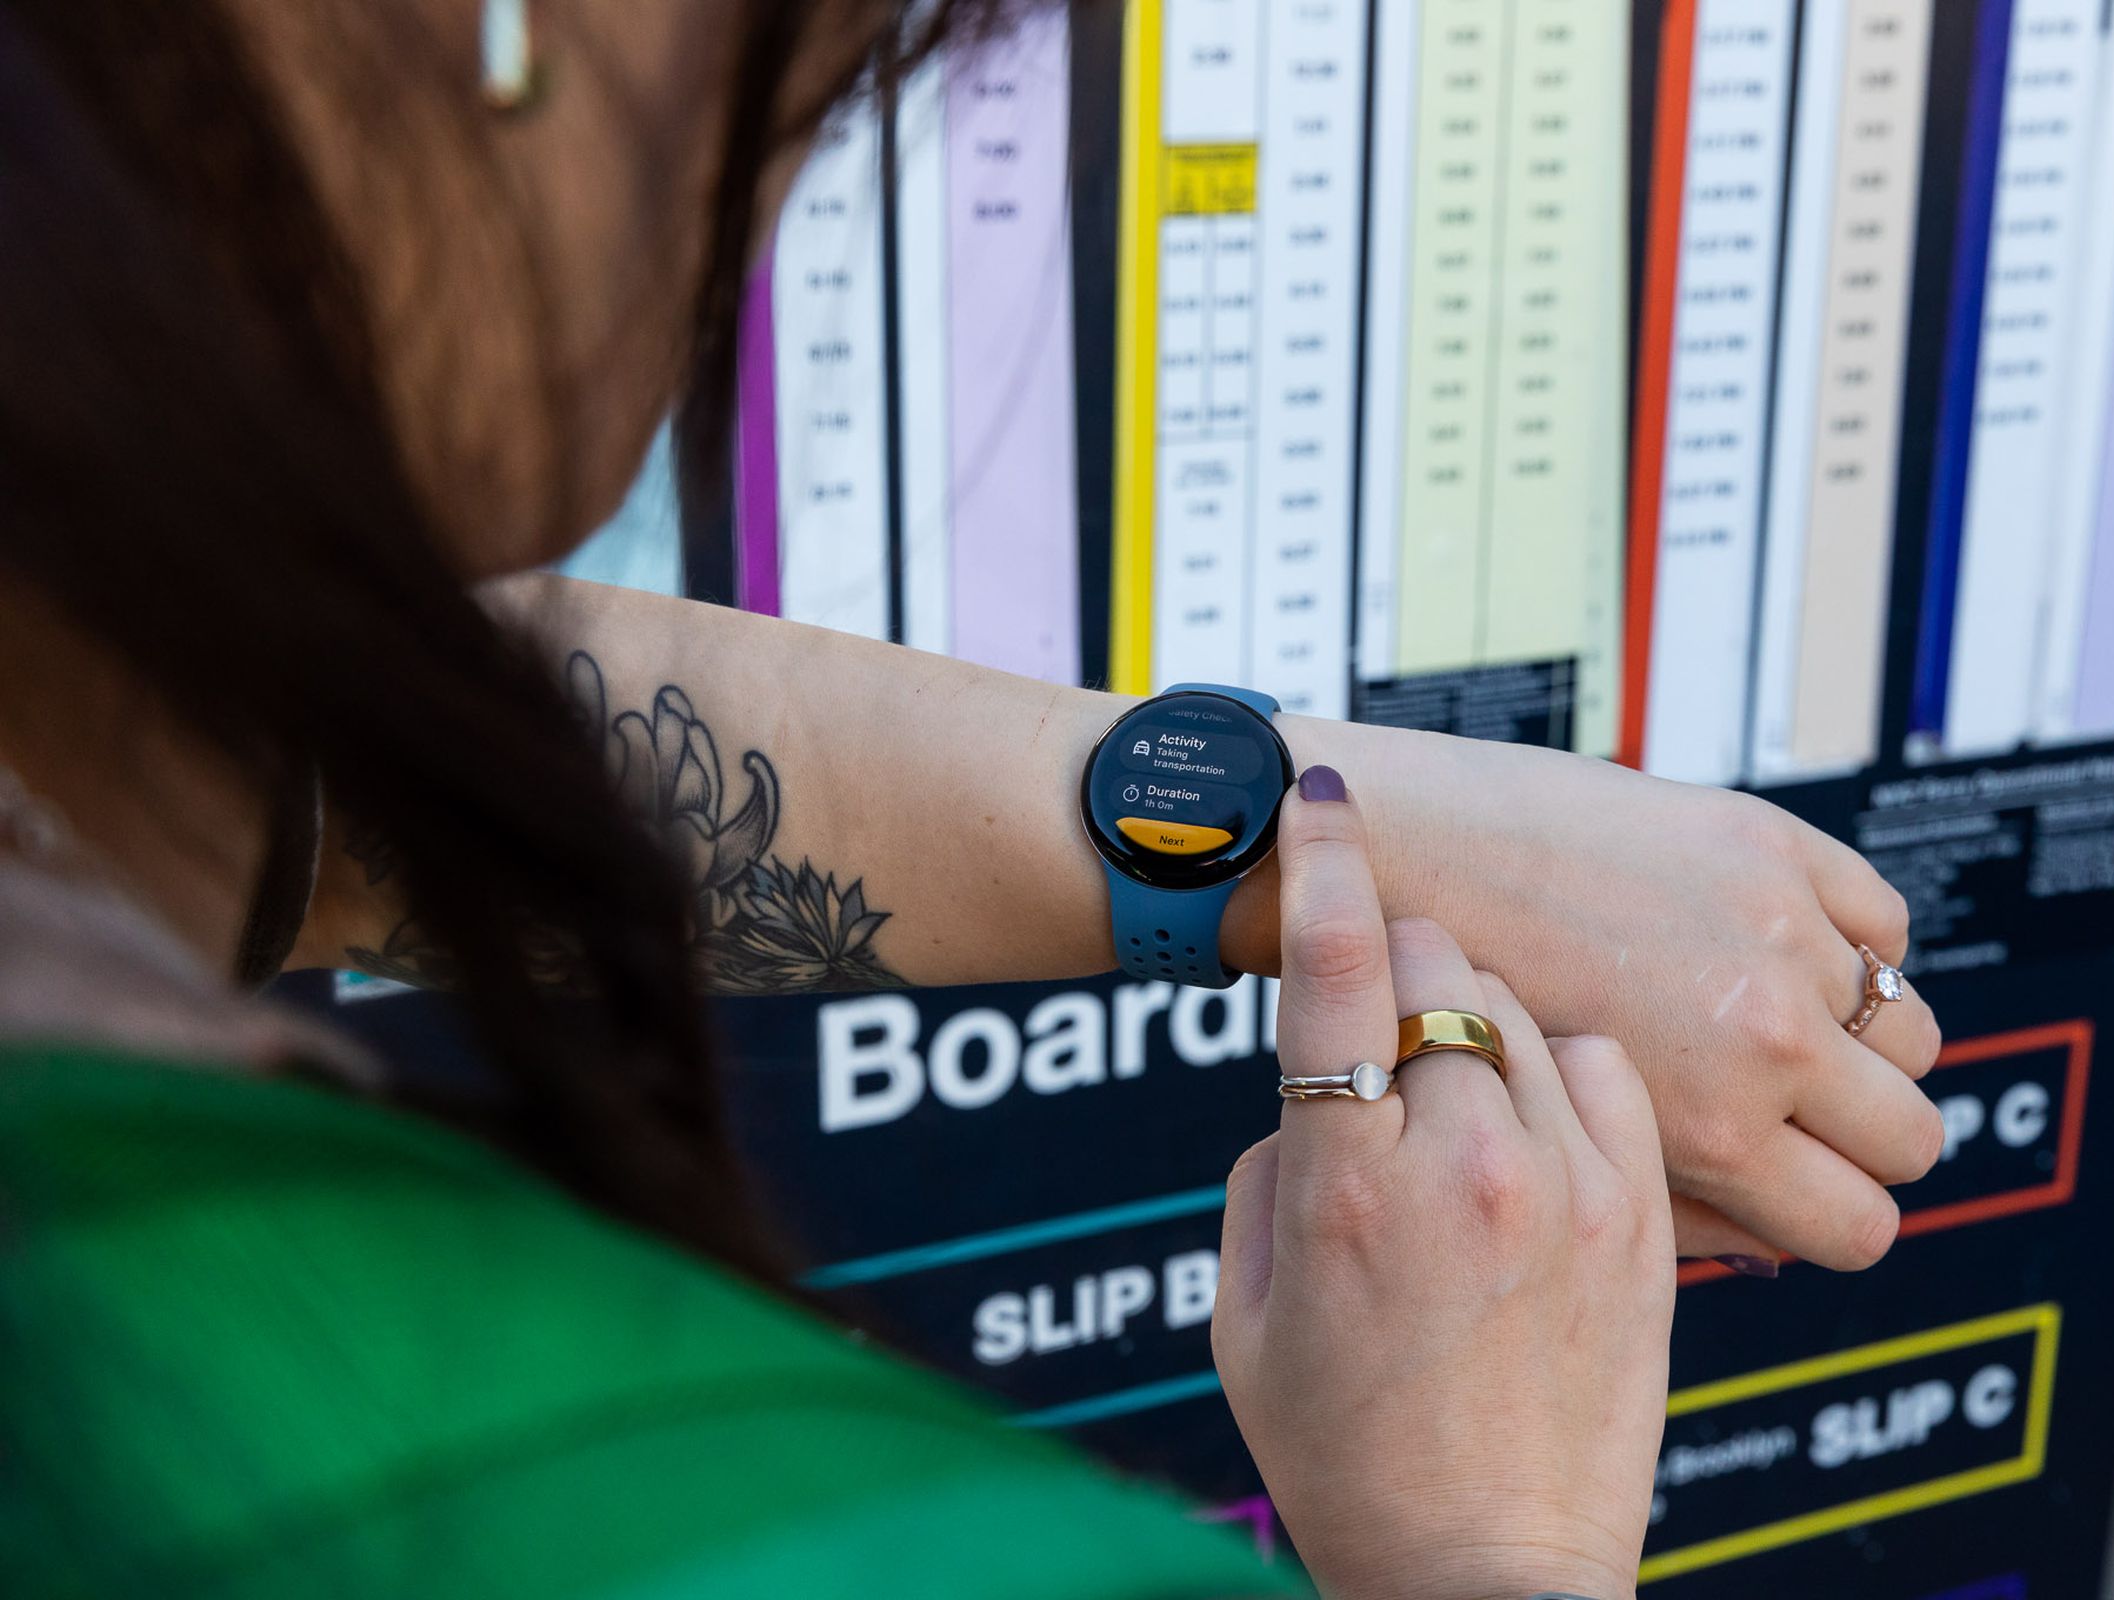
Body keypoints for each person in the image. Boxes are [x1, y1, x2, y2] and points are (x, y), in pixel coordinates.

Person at [0, 0, 1940, 1592]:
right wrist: (1489, 1536)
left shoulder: (77, 689)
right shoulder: (703, 1512)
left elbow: (313, 760)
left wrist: (1358, 843)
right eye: (821, 62)